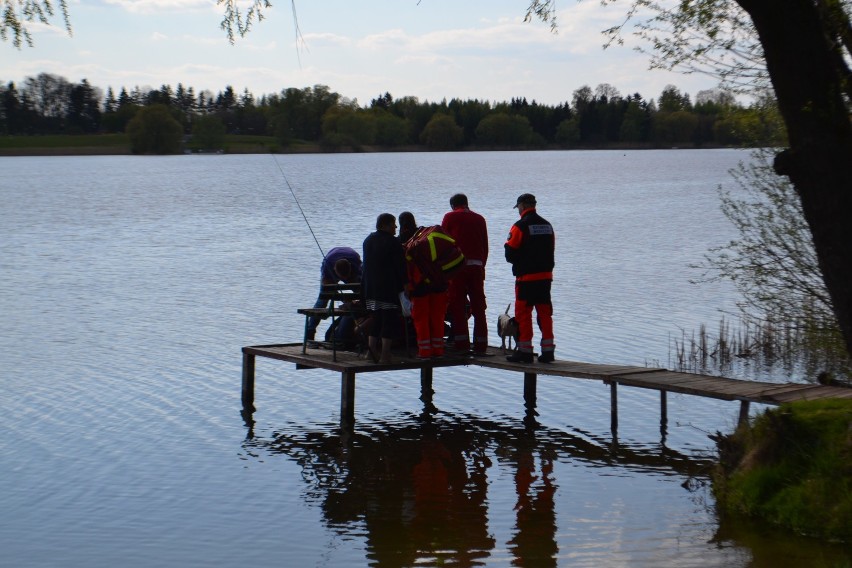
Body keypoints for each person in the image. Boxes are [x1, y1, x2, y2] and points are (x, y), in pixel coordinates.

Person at [504, 193, 556, 363]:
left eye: (518, 207)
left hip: (526, 278)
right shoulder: (548, 226)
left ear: (522, 206)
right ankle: (548, 352)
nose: (518, 210)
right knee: (544, 313)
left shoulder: (520, 226)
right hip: (545, 278)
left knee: (523, 314)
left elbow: (510, 254)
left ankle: (525, 352)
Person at [442, 193, 489, 354]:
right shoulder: (480, 219)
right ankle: (481, 345)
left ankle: (461, 344)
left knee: (458, 305)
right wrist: (482, 265)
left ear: (453, 205)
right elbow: (485, 245)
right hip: (477, 267)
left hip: (457, 268)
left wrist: (446, 270)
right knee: (479, 307)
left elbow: (444, 243)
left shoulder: (449, 217)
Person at [402, 214, 450, 359]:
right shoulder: (427, 240)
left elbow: (408, 271)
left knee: (421, 319)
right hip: (439, 284)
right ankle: (438, 350)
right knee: (437, 318)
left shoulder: (409, 246)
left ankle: (425, 351)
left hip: (420, 287)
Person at [362, 213, 407, 363]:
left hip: (370, 287)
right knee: (389, 320)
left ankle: (371, 352)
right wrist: (405, 285)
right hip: (387, 287)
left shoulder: (368, 240)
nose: (396, 227)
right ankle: (385, 354)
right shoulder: (393, 242)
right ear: (384, 225)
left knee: (376, 318)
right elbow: (400, 267)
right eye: (393, 224)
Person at [306, 246, 362, 341]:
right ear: (335, 270)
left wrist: (355, 301)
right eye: (342, 277)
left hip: (350, 260)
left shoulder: (356, 263)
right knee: (322, 301)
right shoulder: (328, 267)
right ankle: (310, 332)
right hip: (331, 261)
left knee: (359, 292)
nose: (345, 280)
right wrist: (345, 300)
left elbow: (361, 284)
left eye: (346, 277)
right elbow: (326, 285)